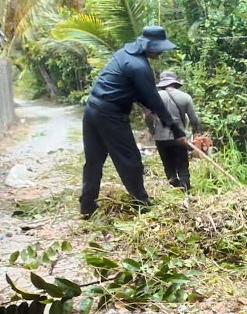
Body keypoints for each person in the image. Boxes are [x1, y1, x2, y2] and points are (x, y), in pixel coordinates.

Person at [79, 25, 187, 217]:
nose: (161, 52)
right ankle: (142, 203)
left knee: (94, 160)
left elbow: (134, 91)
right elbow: (153, 98)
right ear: (150, 46)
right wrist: (175, 128)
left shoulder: (124, 54)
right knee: (131, 160)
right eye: (160, 48)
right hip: (110, 115)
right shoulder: (139, 66)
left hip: (92, 109)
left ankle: (87, 205)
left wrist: (152, 110)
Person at [146, 70, 202, 191]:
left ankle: (174, 188)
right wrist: (195, 131)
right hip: (179, 138)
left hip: (160, 138)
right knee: (182, 165)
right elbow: (194, 119)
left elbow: (148, 116)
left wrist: (152, 129)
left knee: (168, 165)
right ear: (175, 83)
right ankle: (185, 190)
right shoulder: (185, 97)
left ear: (162, 84)